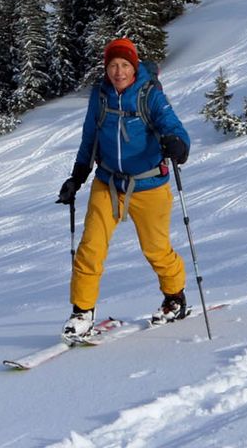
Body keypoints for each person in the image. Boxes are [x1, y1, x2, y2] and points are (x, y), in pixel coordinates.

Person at [56, 37, 192, 338]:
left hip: (149, 183)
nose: (118, 72)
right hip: (108, 182)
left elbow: (174, 126)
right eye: (113, 66)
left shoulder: (149, 95)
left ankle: (175, 298)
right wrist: (77, 177)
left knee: (156, 249)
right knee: (90, 248)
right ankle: (82, 312)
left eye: (124, 65)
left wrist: (178, 145)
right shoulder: (100, 96)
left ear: (134, 66)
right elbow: (89, 138)